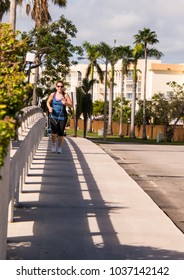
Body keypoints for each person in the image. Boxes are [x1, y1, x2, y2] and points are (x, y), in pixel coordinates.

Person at [46, 80, 73, 153]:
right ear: (56, 87)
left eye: (61, 86)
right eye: (58, 86)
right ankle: (54, 144)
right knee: (53, 132)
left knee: (61, 133)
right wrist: (49, 108)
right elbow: (48, 102)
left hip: (62, 117)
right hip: (53, 116)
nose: (60, 88)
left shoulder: (65, 95)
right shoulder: (53, 94)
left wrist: (66, 103)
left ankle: (59, 147)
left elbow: (71, 105)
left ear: (63, 87)